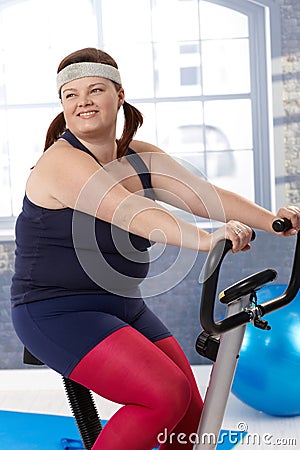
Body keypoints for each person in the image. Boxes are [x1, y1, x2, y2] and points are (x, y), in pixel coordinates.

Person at [10, 47, 300, 450]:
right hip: (57, 310)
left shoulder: (139, 156)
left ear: (119, 95)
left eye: (95, 90)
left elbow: (203, 196)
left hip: (123, 304)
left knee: (192, 423)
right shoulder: (59, 164)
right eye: (70, 95)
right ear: (61, 106)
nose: (83, 102)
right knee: (163, 396)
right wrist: (205, 238)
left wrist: (274, 222)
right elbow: (130, 212)